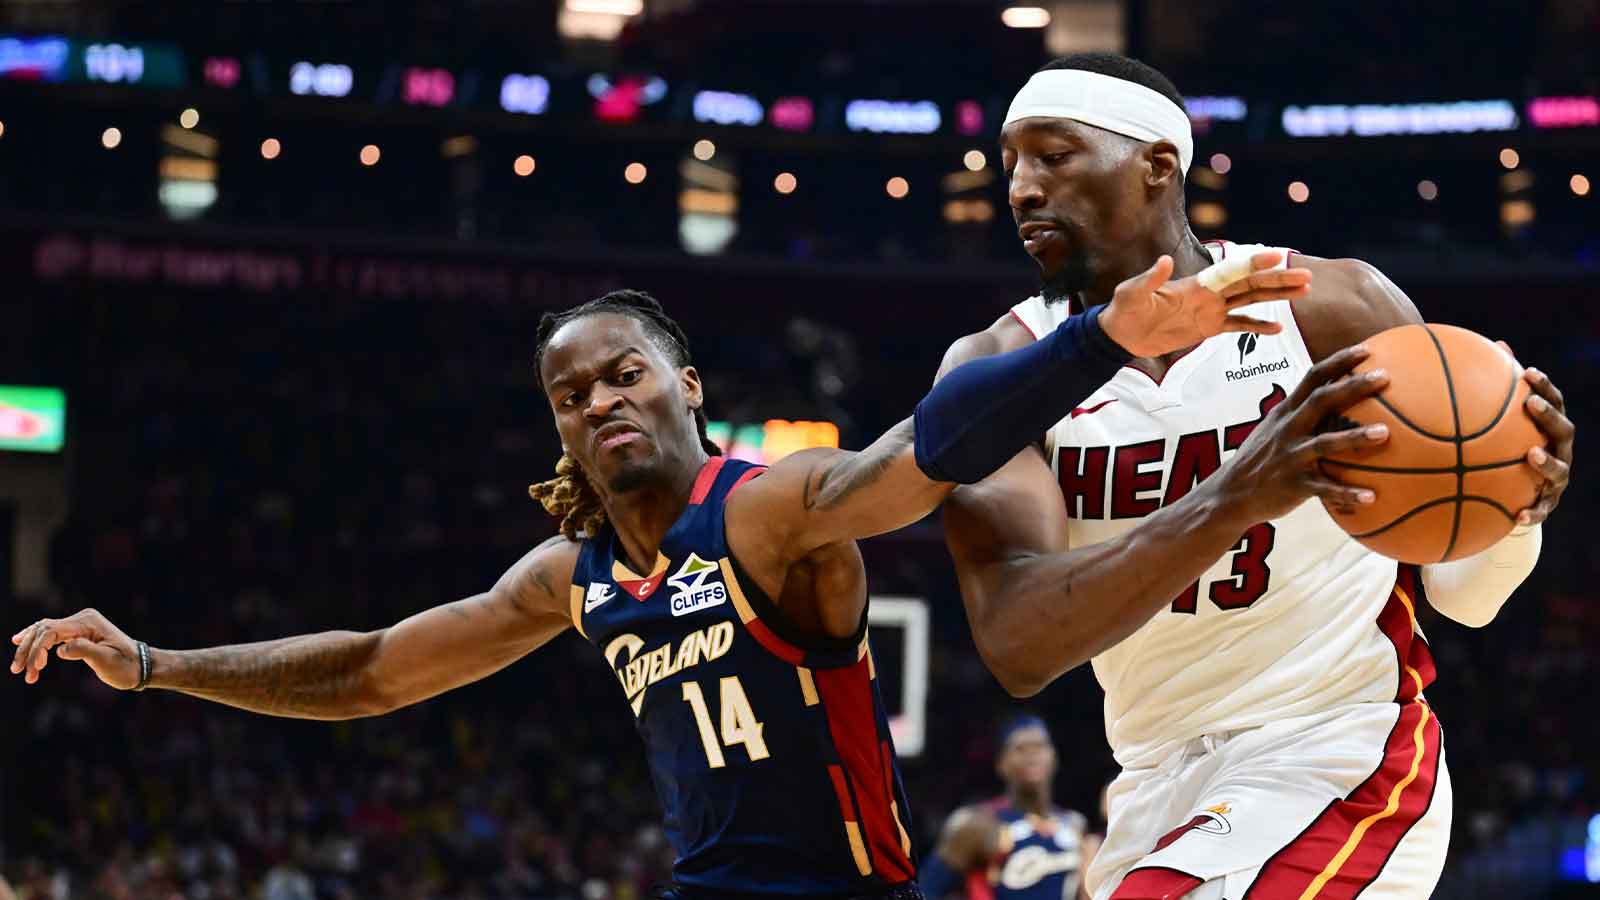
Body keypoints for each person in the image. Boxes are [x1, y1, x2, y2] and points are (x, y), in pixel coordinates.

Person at [12, 278, 1293, 900]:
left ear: (683, 383)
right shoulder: (567, 577)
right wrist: (154, 666)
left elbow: (922, 461)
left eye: (623, 374)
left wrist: (1098, 339)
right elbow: (371, 668)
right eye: (571, 395)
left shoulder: (771, 508)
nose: (599, 401)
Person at [935, 53, 1575, 900]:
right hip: (1155, 777)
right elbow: (1019, 646)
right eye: (1011, 162)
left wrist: (1515, 507)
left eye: (1053, 157)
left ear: (1158, 165)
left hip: (1338, 754)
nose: (1019, 188)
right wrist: (1241, 493)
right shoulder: (998, 368)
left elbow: (1462, 596)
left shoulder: (1327, 308)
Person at [921, 716, 1094, 900]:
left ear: (1053, 756)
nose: (1031, 755)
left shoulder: (1076, 824)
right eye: (1020, 749)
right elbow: (927, 887)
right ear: (1001, 763)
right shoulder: (976, 823)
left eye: (1039, 746)